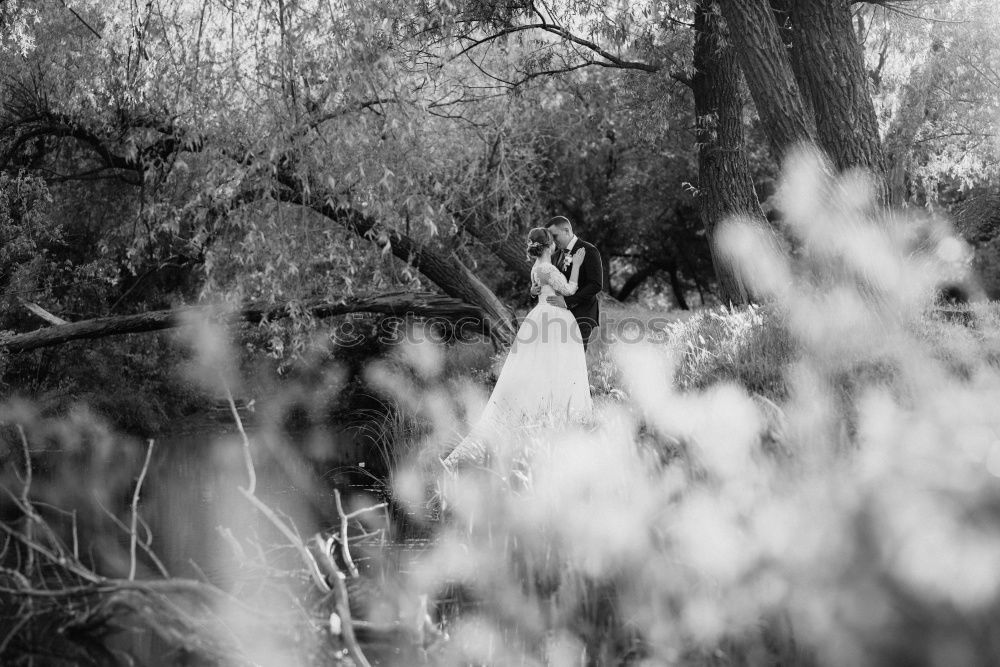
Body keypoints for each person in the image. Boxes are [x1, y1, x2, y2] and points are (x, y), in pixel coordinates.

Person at [442, 227, 593, 470]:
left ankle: (547, 415)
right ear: (548, 246)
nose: (556, 244)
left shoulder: (536, 268)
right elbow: (569, 290)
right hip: (554, 320)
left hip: (542, 317)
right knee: (557, 366)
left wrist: (536, 290)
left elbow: (537, 291)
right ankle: (557, 418)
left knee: (543, 368)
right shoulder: (547, 268)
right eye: (552, 242)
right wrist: (576, 264)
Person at [535, 216, 603, 351]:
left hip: (581, 313)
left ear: (566, 231)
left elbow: (595, 284)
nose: (552, 240)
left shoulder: (588, 250)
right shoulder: (553, 256)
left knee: (575, 358)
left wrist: (567, 301)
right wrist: (535, 290)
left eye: (554, 236)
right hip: (558, 316)